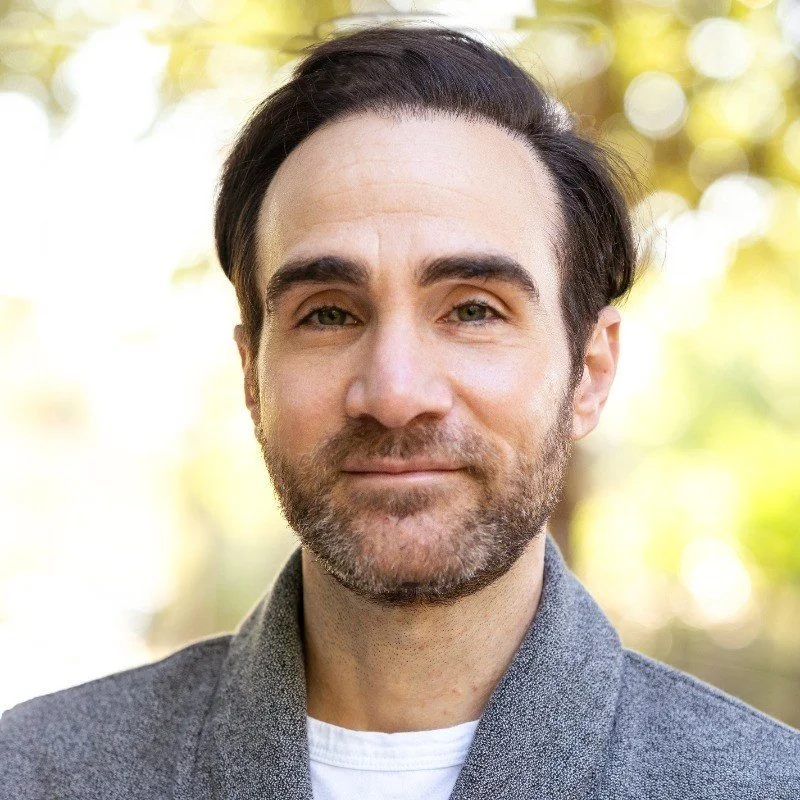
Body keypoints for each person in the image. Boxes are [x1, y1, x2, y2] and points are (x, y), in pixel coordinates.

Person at [1, 23, 798, 800]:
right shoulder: (34, 772)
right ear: (252, 375)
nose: (393, 393)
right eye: (328, 314)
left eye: (475, 310)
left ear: (589, 371)